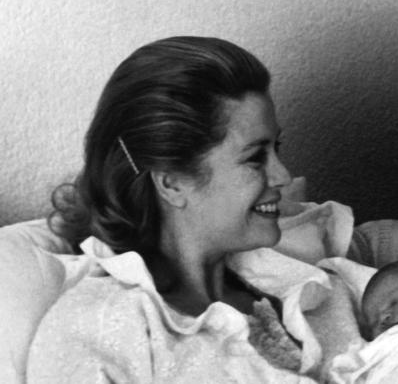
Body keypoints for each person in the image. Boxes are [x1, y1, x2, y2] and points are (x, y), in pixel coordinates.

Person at [27, 36, 329, 383]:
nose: (283, 176)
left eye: (277, 148)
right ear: (172, 183)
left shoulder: (304, 279)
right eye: (255, 157)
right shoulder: (97, 330)